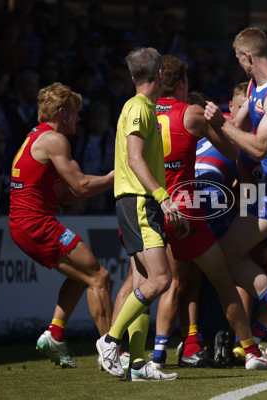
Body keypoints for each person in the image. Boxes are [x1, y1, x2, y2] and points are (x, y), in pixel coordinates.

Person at [147, 54, 267, 370]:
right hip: (188, 208)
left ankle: (154, 355)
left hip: (153, 205)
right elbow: (234, 151)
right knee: (222, 278)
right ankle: (250, 351)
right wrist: (218, 122)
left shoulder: (139, 113)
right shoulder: (190, 113)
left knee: (166, 282)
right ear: (180, 83)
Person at [204, 27, 267, 357]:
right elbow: (234, 137)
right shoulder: (254, 87)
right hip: (262, 190)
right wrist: (206, 127)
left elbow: (258, 148)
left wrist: (221, 122)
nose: (239, 66)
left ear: (247, 57)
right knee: (226, 256)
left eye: (239, 60)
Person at [8, 82, 115, 368]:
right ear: (61, 112)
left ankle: (55, 333)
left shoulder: (38, 136)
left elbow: (68, 194)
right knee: (99, 277)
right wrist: (117, 177)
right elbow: (79, 185)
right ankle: (111, 351)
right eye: (75, 112)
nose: (79, 118)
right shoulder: (55, 140)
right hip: (35, 223)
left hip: (28, 223)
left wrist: (105, 183)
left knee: (84, 276)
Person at [95, 47, 184, 382]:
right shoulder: (139, 108)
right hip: (138, 201)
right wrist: (162, 198)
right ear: (160, 74)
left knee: (145, 282)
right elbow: (135, 159)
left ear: (134, 77)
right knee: (161, 280)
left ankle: (136, 363)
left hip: (139, 202)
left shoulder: (140, 106)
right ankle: (110, 341)